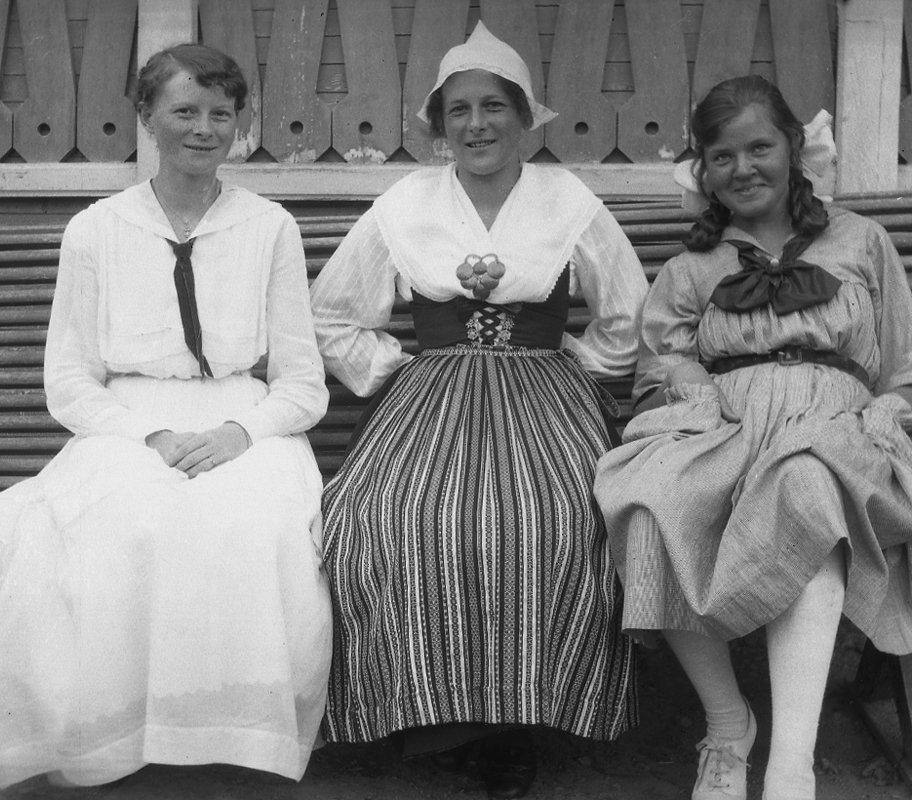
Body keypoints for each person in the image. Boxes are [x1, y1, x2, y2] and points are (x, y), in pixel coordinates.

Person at [0, 43, 332, 789]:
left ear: (240, 123)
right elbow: (70, 380)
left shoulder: (269, 227)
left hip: (241, 418)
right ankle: (118, 733)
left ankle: (229, 730)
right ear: (147, 117)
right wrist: (150, 437)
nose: (204, 129)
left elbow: (302, 383)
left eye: (221, 114)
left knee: (256, 523)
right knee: (124, 522)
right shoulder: (98, 228)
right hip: (128, 420)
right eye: (185, 111)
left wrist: (239, 434)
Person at [310, 22, 647, 800]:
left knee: (553, 517)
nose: (477, 125)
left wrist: (579, 369)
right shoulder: (406, 203)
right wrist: (392, 371)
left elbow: (628, 312)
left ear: (524, 117)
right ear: (439, 124)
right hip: (430, 394)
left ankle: (514, 723)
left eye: (494, 106)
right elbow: (331, 314)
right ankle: (427, 710)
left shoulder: (567, 201)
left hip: (543, 392)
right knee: (383, 514)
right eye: (458, 110)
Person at [594, 75, 912, 800]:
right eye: (722, 156)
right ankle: (729, 725)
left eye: (759, 147)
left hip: (838, 428)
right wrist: (689, 382)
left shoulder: (859, 241)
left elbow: (903, 362)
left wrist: (888, 412)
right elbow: (659, 362)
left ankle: (792, 768)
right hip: (730, 426)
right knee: (649, 501)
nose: (743, 168)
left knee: (805, 485)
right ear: (703, 170)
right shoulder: (692, 267)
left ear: (794, 147)